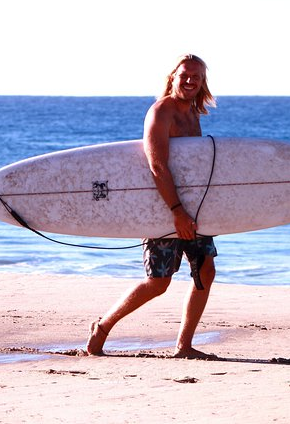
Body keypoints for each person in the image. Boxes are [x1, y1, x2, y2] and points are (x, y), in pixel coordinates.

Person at [86, 54, 218, 359]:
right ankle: (103, 327)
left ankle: (184, 346)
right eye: (185, 75)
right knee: (158, 282)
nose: (190, 81)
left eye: (196, 77)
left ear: (202, 83)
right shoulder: (161, 112)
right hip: (165, 208)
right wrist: (176, 211)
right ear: (172, 76)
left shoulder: (193, 114)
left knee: (205, 272)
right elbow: (157, 166)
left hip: (192, 210)